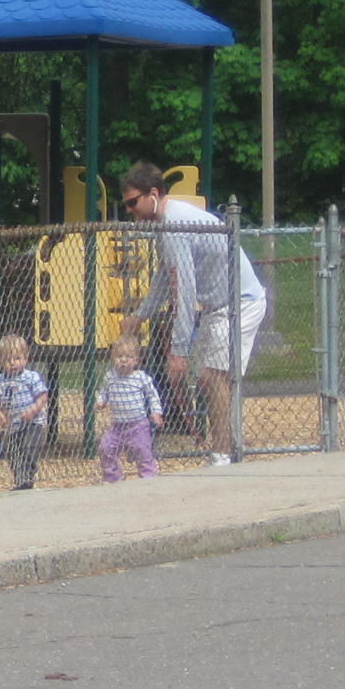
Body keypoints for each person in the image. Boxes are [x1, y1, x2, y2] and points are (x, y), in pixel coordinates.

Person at [120, 161, 265, 466]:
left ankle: (223, 453)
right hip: (219, 306)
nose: (129, 210)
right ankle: (225, 449)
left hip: (241, 302)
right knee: (213, 378)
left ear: (153, 194)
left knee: (213, 377)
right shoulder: (167, 223)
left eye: (133, 203)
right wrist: (140, 316)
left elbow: (183, 291)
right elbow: (164, 275)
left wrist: (178, 351)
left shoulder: (173, 225)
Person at [0, 332, 49, 489]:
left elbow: (43, 395)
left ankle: (27, 477)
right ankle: (21, 479)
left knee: (28, 448)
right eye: (7, 360)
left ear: (25, 359)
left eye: (17, 359)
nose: (12, 363)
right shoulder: (0, 380)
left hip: (34, 423)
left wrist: (33, 410)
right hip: (13, 425)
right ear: (0, 361)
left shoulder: (30, 377)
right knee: (12, 451)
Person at [97, 334, 163, 481]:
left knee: (143, 451)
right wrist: (100, 401)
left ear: (136, 360)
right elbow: (104, 392)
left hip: (137, 425)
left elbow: (152, 395)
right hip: (117, 427)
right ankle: (112, 477)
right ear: (113, 358)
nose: (124, 360)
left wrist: (156, 412)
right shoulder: (110, 377)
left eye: (128, 356)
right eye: (119, 356)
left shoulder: (141, 377)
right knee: (105, 448)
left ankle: (148, 477)